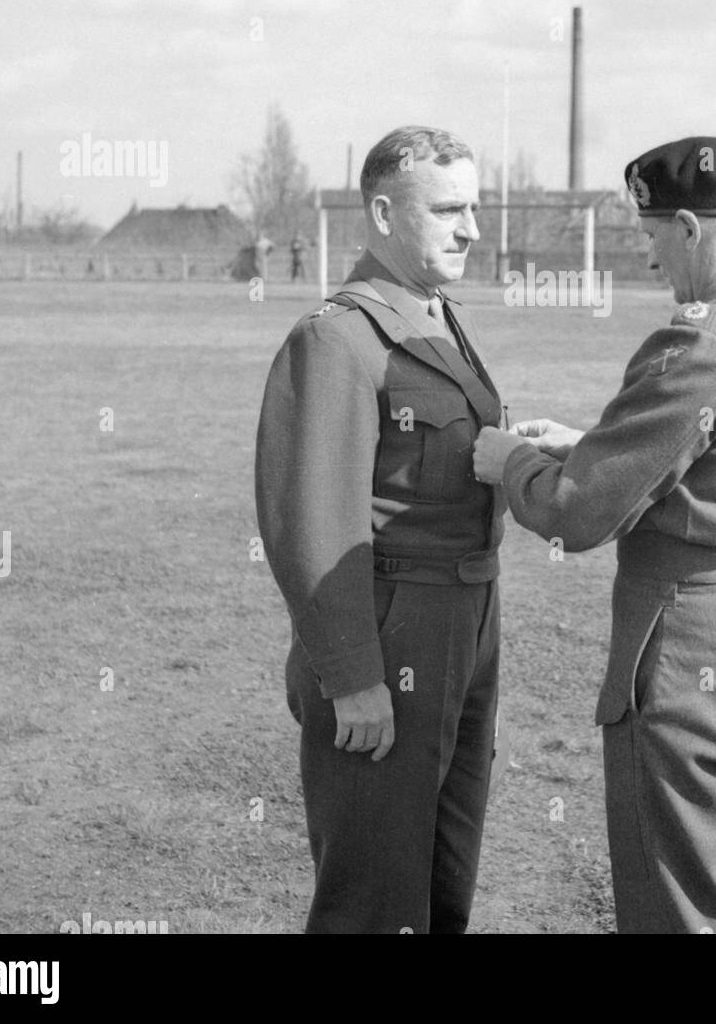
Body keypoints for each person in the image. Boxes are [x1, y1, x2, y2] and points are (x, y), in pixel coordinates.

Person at [474, 136, 716, 934]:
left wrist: (511, 462)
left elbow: (577, 513)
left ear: (689, 226)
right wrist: (595, 443)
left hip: (700, 655)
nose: (651, 260)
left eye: (652, 236)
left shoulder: (701, 342)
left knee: (685, 908)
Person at [255, 126, 506, 934]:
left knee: (442, 880)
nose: (471, 228)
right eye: (449, 209)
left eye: (474, 207)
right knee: (372, 896)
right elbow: (312, 523)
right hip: (391, 634)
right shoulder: (337, 335)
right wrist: (352, 673)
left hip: (464, 628)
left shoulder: (436, 316)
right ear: (385, 214)